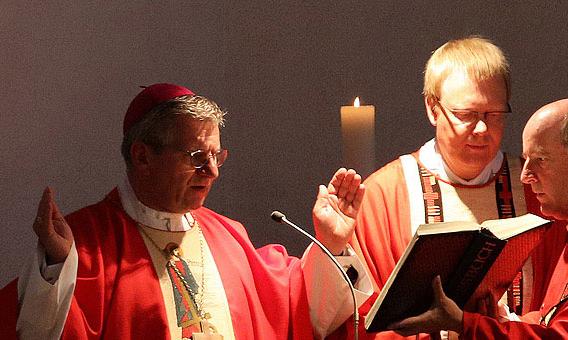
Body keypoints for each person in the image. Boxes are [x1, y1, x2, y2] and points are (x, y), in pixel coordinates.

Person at [0, 83, 372, 340]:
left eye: (216, 156)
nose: (211, 172)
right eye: (197, 157)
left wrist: (332, 244)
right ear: (143, 156)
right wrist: (54, 268)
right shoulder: (85, 243)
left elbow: (300, 308)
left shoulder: (227, 235)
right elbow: (36, 330)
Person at [345, 36, 566, 339]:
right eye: (466, 115)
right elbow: (362, 316)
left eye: (495, 115)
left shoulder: (540, 193)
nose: (482, 129)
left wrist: (502, 323)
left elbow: (556, 315)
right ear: (433, 109)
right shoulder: (383, 197)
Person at [387, 98, 568, 338]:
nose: (525, 176)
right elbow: (552, 317)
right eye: (465, 113)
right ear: (433, 108)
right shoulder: (390, 189)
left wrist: (464, 323)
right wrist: (502, 322)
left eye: (541, 160)